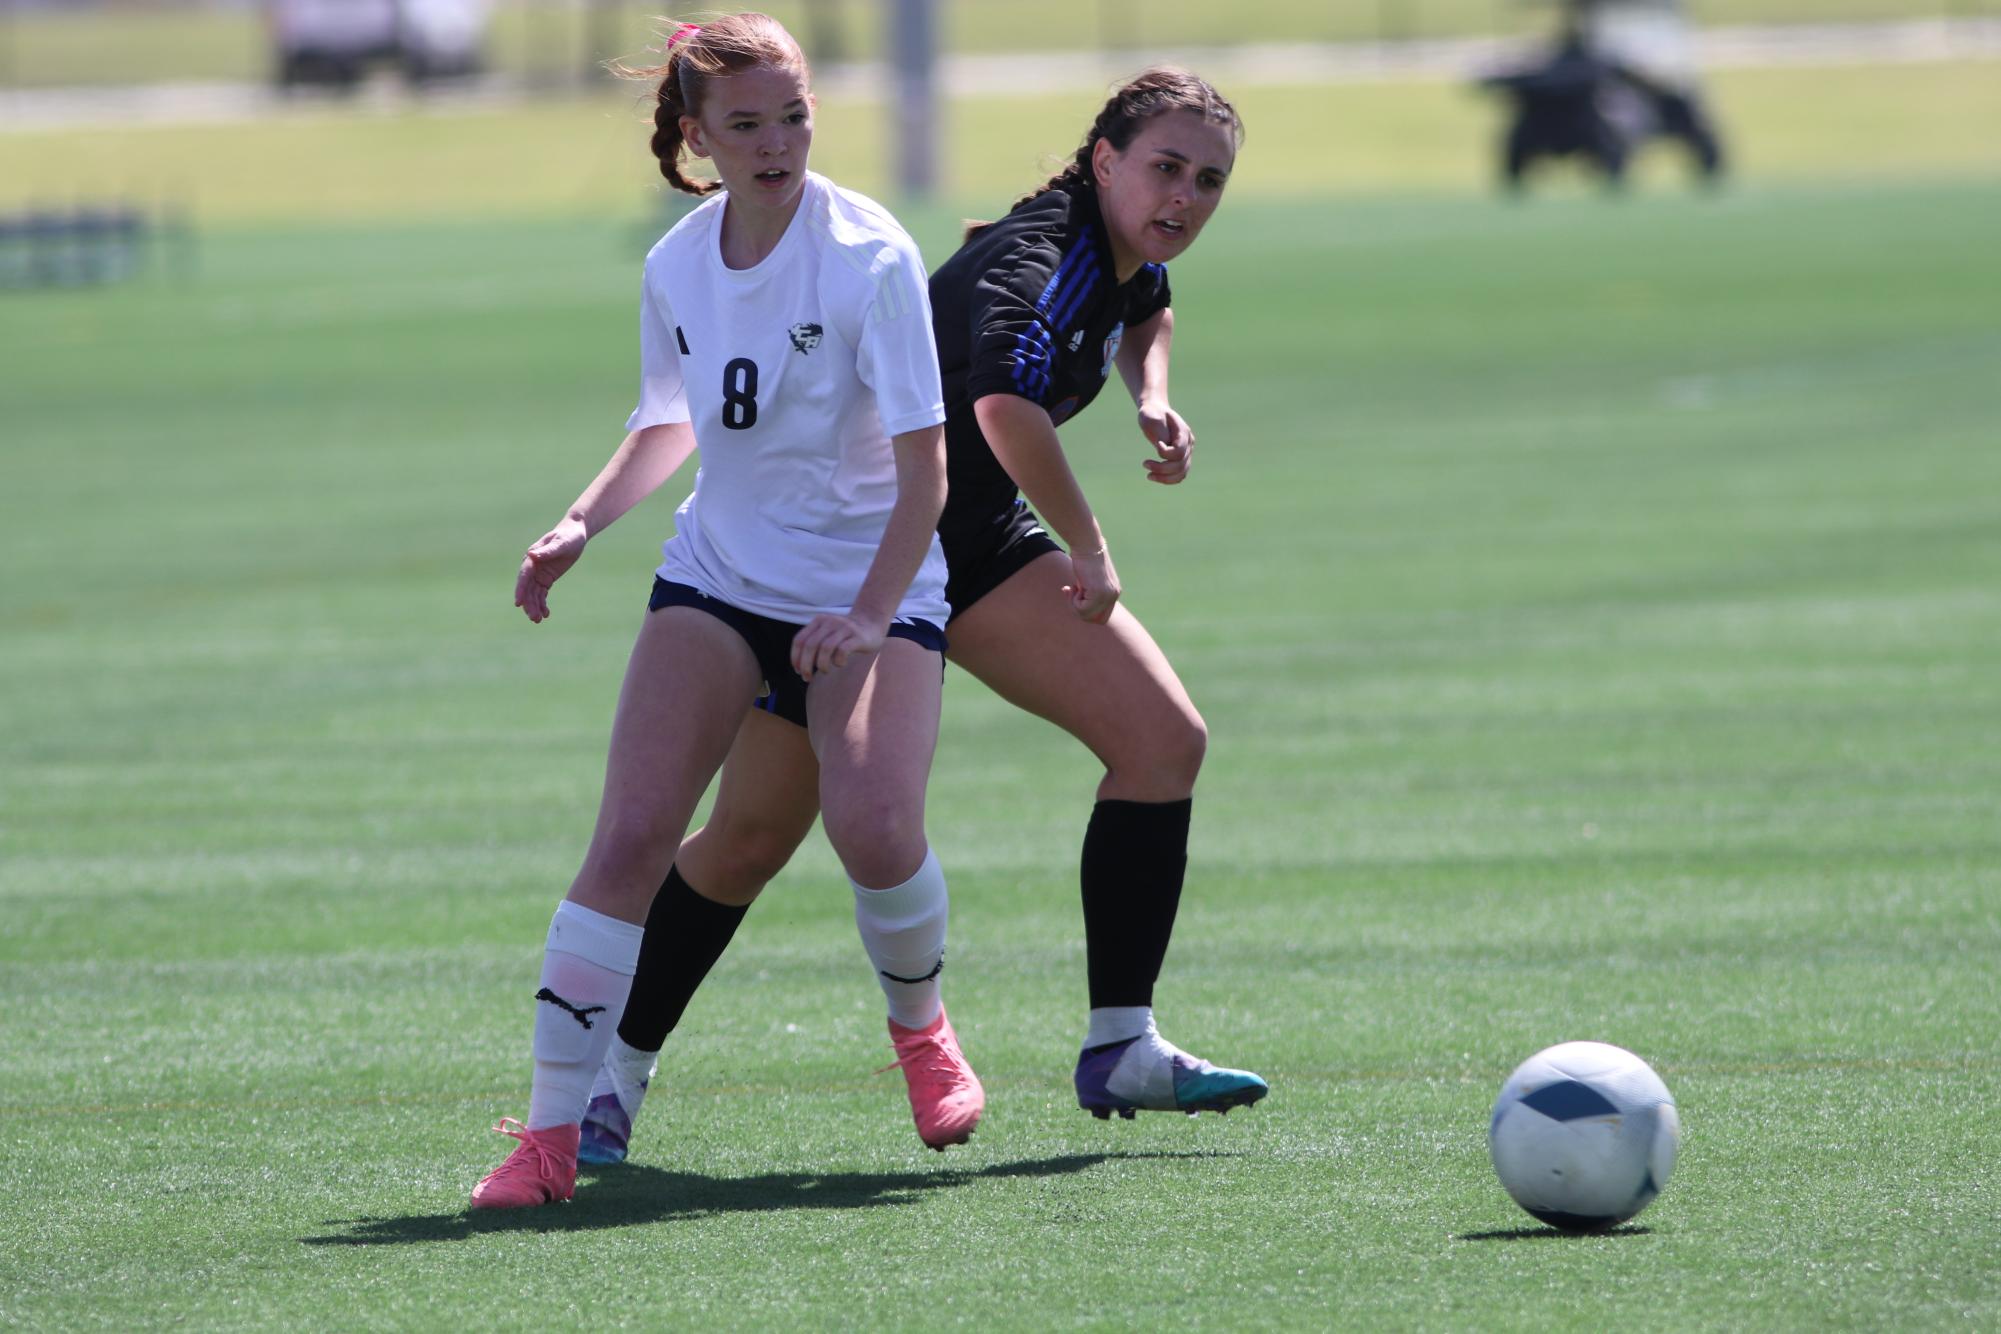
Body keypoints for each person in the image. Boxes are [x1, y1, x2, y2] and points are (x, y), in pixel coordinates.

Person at [575, 66, 1267, 1168]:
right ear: (1104, 161)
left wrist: (1150, 390)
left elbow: (1145, 300)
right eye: (1165, 169)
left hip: (952, 537)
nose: (1183, 197)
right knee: (756, 835)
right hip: (900, 546)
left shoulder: (1114, 240)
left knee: (1156, 742)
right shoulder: (1043, 262)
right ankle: (609, 1070)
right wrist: (1090, 545)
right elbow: (1000, 404)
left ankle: (1121, 1040)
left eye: (1209, 181)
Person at [472, 11, 982, 1210]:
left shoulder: (870, 254)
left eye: (793, 116)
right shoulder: (677, 263)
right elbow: (671, 422)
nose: (776, 143)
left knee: (870, 829)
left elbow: (929, 474)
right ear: (697, 137)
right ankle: (550, 1133)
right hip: (718, 576)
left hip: (874, 584)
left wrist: (864, 619)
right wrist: (580, 523)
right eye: (745, 124)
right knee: (635, 832)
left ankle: (921, 1028)